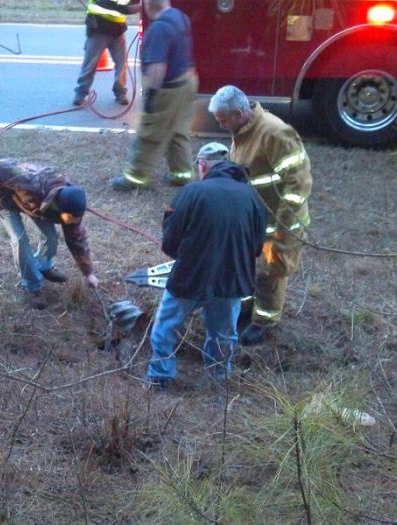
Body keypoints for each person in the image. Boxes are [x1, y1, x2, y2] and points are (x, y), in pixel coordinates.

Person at [145, 142, 266, 390]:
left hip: (189, 277)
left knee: (165, 328)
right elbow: (256, 246)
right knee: (223, 334)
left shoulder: (191, 192)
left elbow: (169, 242)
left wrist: (187, 256)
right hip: (231, 281)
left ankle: (160, 379)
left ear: (202, 165)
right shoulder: (252, 197)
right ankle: (219, 380)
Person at [208, 85, 313, 346]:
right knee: (246, 266)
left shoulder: (275, 134)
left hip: (276, 223)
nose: (221, 125)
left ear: (240, 113)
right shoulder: (242, 131)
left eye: (223, 120)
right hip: (255, 219)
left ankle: (264, 320)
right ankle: (246, 306)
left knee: (269, 272)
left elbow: (298, 184)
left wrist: (282, 227)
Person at [0, 159, 100, 310]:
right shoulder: (30, 183)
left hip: (36, 207)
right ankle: (32, 285)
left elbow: (77, 241)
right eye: (68, 217)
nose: (70, 222)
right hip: (8, 202)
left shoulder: (71, 210)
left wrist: (88, 274)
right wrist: (0, 195)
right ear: (58, 206)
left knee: (51, 237)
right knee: (20, 241)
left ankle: (44, 267)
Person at [111, 0, 198, 190]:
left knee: (149, 133)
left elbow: (158, 68)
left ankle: (134, 178)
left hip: (168, 89)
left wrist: (151, 97)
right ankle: (182, 174)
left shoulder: (158, 29)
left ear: (149, 4)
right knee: (177, 131)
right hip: (187, 83)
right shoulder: (179, 16)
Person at [72, 0, 142, 107]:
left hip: (118, 30)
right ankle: (80, 93)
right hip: (98, 28)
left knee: (122, 63)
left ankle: (120, 93)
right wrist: (144, 6)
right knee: (90, 63)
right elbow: (123, 8)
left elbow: (133, 2)